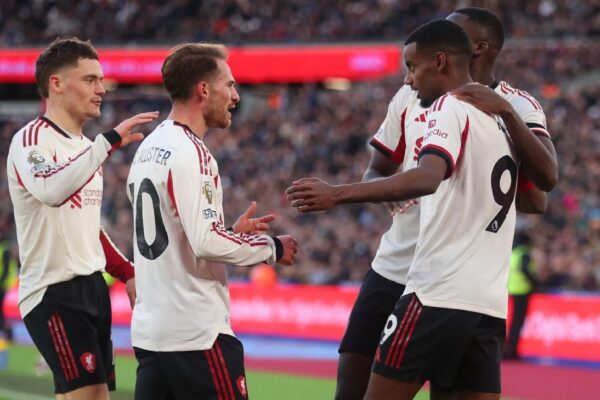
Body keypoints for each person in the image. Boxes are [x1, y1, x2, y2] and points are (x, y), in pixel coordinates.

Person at [332, 7, 558, 400]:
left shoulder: (517, 105)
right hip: (396, 266)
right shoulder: (410, 94)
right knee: (351, 387)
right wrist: (387, 190)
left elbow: (538, 195)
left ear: (477, 47)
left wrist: (463, 179)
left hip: (449, 278)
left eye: (453, 30)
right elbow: (376, 169)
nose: (440, 32)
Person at [287, 20, 518, 399]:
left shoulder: (454, 106)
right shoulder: (502, 117)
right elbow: (537, 189)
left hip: (436, 284)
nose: (408, 80)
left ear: (446, 58)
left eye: (411, 67)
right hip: (481, 295)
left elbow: (428, 177)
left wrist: (337, 194)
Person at [127, 43, 298, 400]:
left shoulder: (149, 147)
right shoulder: (192, 151)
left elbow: (179, 237)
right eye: (230, 85)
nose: (236, 96)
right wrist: (271, 247)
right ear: (204, 90)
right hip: (195, 333)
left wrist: (230, 233)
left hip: (152, 334)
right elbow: (205, 241)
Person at [6, 38, 158, 400]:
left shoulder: (86, 149)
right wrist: (106, 143)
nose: (101, 89)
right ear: (56, 84)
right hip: (54, 292)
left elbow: (88, 227)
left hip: (92, 289)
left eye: (101, 80)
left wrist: (126, 272)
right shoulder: (31, 140)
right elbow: (50, 189)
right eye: (90, 79)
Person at [504, 232, 538, 360]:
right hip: (522, 290)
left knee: (511, 322)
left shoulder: (512, 253)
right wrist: (535, 283)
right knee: (517, 322)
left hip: (510, 289)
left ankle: (507, 350)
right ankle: (512, 351)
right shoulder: (524, 254)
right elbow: (526, 271)